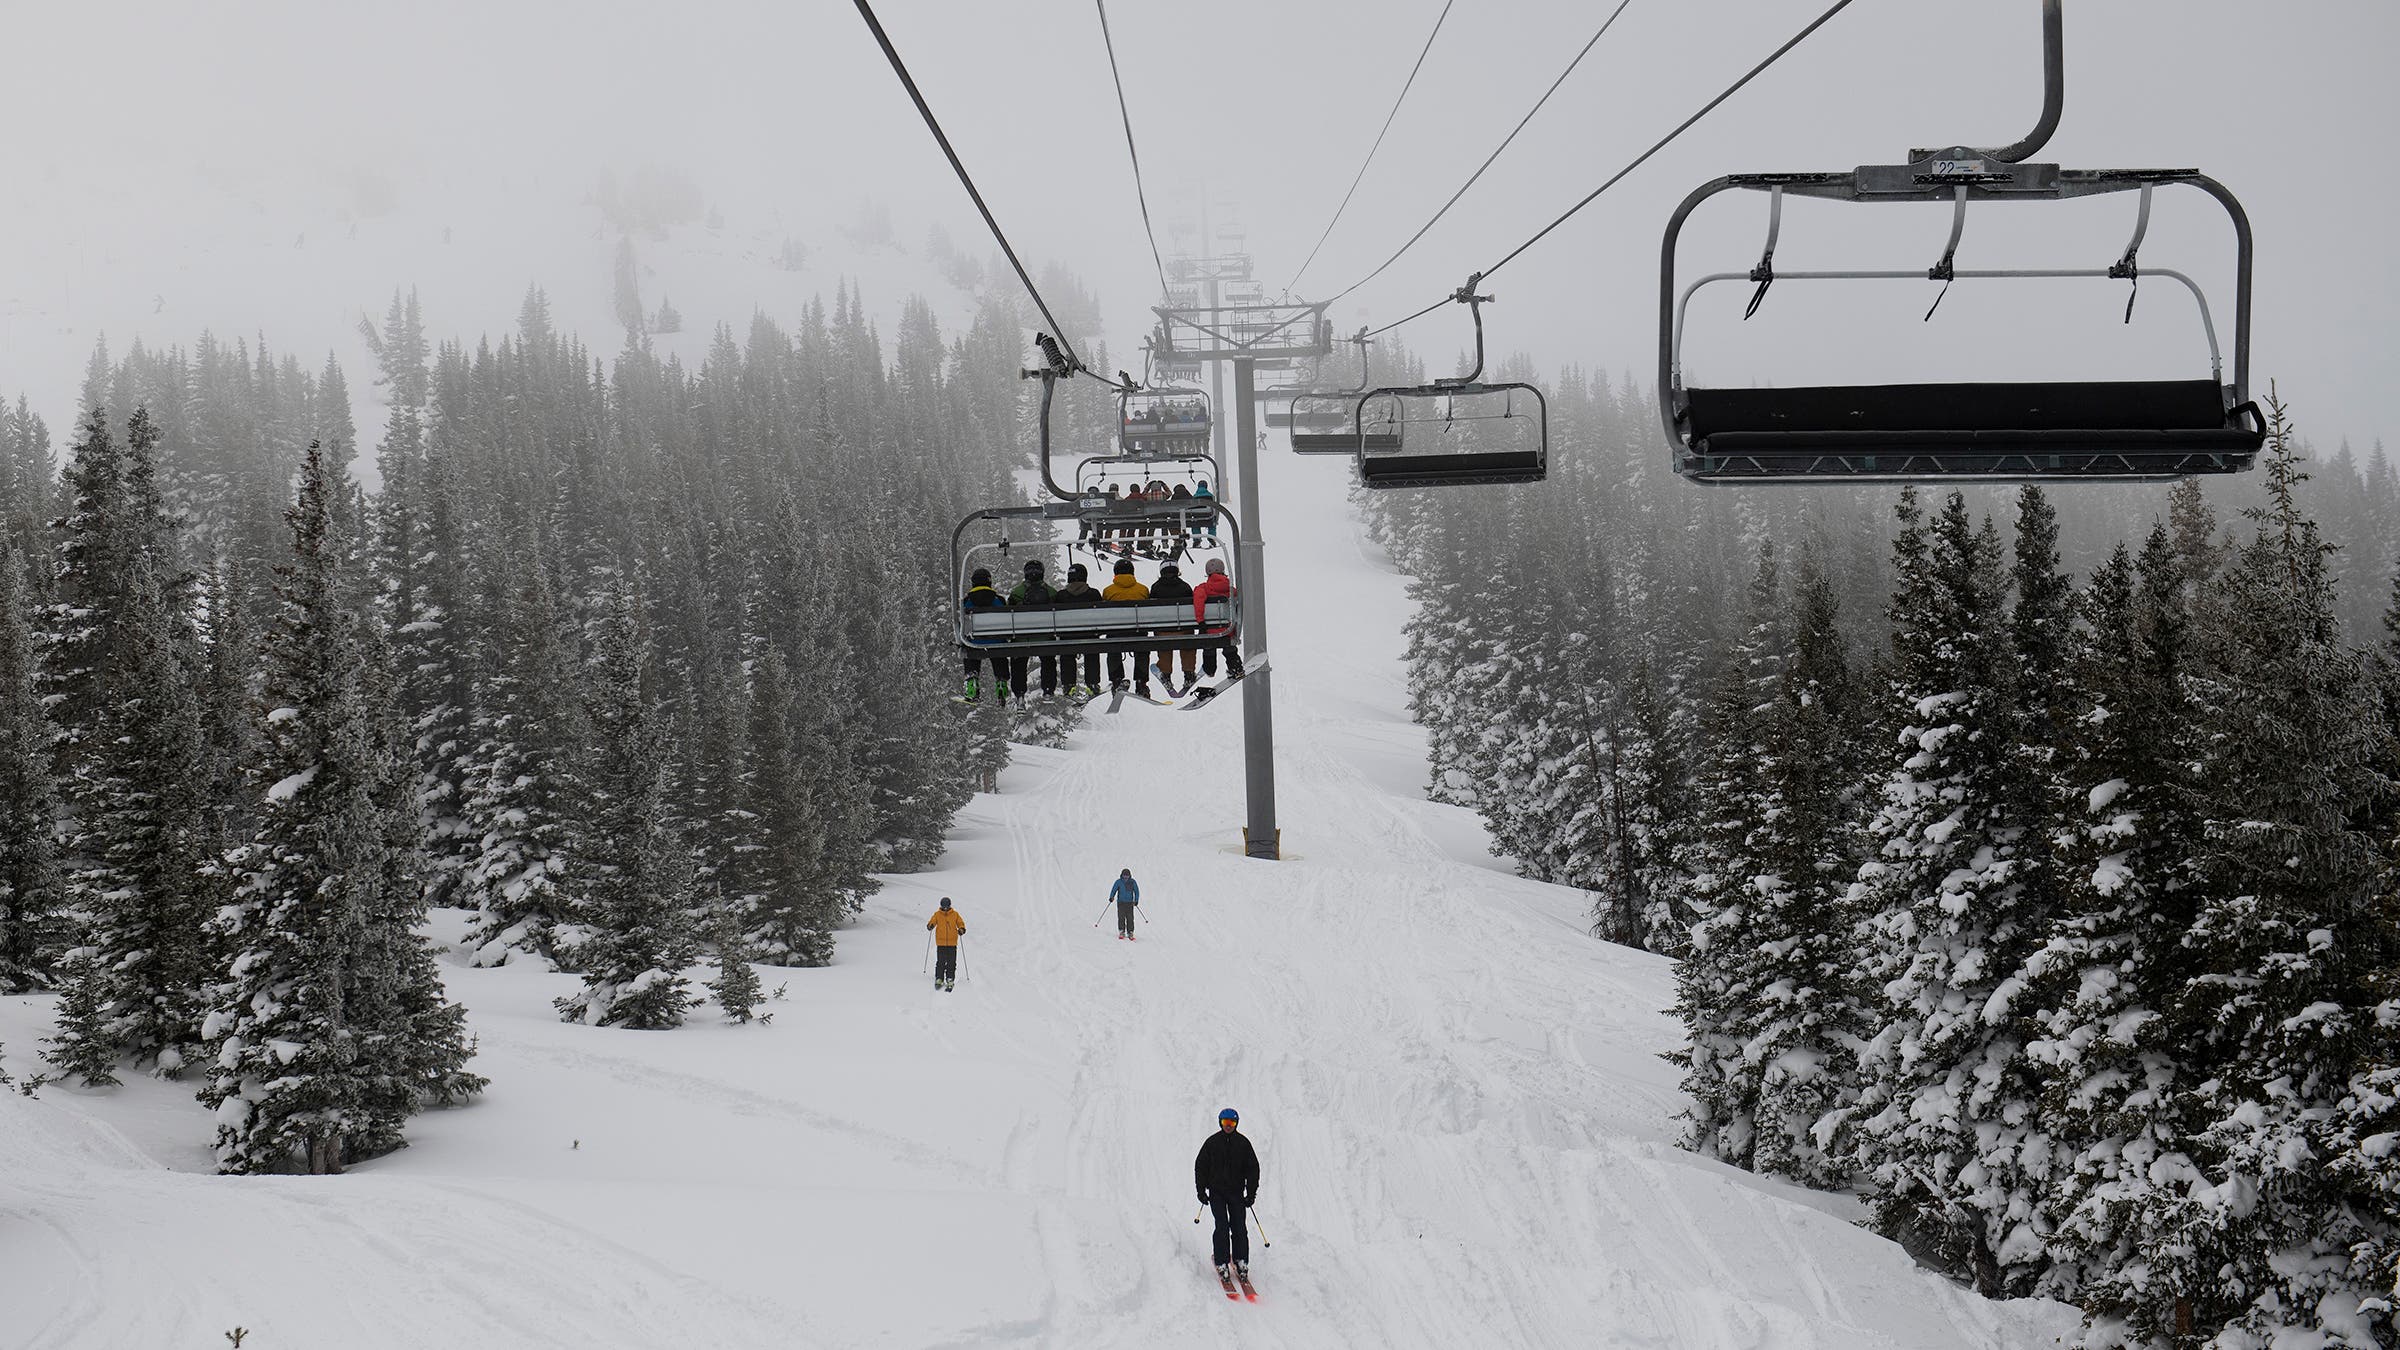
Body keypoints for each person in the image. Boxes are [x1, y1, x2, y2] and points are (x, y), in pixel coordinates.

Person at [1195, 1108, 1260, 1284]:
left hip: (1236, 1193)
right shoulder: (1212, 1143)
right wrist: (1201, 1190)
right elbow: (1200, 1166)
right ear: (1220, 1123)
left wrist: (1251, 1193)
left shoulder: (1243, 1144)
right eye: (1225, 1123)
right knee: (1222, 1226)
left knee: (1239, 1226)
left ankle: (1241, 1261)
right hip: (1217, 1192)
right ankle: (1222, 1261)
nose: (1228, 1126)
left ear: (1236, 1123)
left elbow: (1253, 1169)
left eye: (1231, 1123)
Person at [1008, 559, 1059, 699]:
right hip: (1045, 637)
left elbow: (1008, 615)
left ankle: (1019, 693)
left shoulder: (1016, 592)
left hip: (1021, 638)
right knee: (1048, 660)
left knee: (1018, 662)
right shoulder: (1051, 592)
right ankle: (1048, 690)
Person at [1101, 559, 1151, 697]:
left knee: (1112, 648)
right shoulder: (1143, 590)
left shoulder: (1108, 591)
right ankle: (1141, 683)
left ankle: (1117, 680)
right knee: (1142, 649)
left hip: (1116, 633)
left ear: (1115, 573)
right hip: (1138, 632)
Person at [1053, 562, 1105, 698]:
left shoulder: (1061, 596)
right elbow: (1102, 615)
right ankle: (1092, 683)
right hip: (1090, 635)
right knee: (1091, 651)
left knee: (1067, 653)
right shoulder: (1093, 594)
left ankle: (1068, 685)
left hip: (1067, 637)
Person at [959, 567, 1009, 703]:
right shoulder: (999, 600)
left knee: (970, 650)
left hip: (974, 642)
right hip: (996, 642)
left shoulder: (966, 601)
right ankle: (1001, 684)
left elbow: (961, 623)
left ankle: (972, 685)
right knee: (999, 653)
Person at [1147, 561, 1197, 694]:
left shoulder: (1156, 588)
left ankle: (1166, 673)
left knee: (1164, 646)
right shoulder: (1185, 587)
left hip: (1163, 631)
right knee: (1187, 646)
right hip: (1184, 630)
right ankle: (1189, 673)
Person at [1193, 557, 1246, 682]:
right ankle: (1235, 667)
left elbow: (1198, 601)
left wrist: (1200, 620)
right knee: (1229, 647)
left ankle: (1209, 669)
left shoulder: (1204, 588)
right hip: (1228, 630)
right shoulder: (1230, 589)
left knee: (1209, 646)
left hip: (1209, 630)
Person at [926, 897, 965, 991]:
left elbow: (960, 923)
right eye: (944, 907)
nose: (945, 909)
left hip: (952, 943)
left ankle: (950, 978)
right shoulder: (937, 914)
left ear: (950, 906)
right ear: (941, 906)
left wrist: (961, 929)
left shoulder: (955, 914)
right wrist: (930, 925)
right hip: (941, 942)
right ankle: (939, 978)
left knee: (951, 962)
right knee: (941, 962)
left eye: (947, 907)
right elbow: (932, 921)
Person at [1108, 867, 1139, 939]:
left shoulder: (1132, 882)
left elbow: (1136, 891)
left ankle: (1130, 932)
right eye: (1124, 875)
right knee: (1121, 917)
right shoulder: (1118, 882)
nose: (1125, 877)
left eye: (1127, 876)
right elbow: (1114, 889)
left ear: (1129, 875)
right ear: (1122, 875)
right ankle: (1122, 931)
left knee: (1130, 918)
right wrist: (1111, 897)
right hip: (1121, 902)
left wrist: (1136, 900)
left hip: (1129, 903)